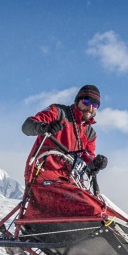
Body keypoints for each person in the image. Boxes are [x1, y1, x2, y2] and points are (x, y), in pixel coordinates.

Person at [20, 84, 112, 219]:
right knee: (87, 207)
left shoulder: (90, 133)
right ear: (78, 101)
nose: (90, 107)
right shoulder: (58, 112)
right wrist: (45, 127)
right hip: (44, 174)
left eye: (95, 104)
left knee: (96, 206)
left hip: (69, 182)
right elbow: (27, 127)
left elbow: (87, 161)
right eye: (86, 102)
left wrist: (95, 164)